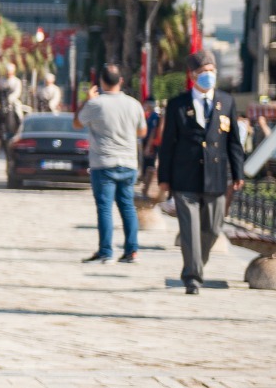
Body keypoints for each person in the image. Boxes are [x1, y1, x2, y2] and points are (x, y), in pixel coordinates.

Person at [157, 50, 245, 294]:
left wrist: (238, 173)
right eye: (203, 71)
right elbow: (167, 145)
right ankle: (192, 277)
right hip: (184, 177)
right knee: (190, 229)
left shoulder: (226, 102)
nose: (208, 75)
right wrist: (164, 178)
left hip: (216, 177)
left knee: (212, 228)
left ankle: (197, 264)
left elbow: (234, 142)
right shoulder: (178, 104)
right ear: (192, 75)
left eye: (211, 71)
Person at [73, 63, 147, 265]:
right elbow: (142, 132)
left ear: (102, 82)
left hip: (104, 162)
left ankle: (106, 250)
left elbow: (77, 122)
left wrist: (86, 100)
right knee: (128, 207)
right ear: (121, 81)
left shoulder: (96, 104)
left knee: (105, 208)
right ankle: (132, 250)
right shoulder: (134, 104)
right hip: (128, 163)